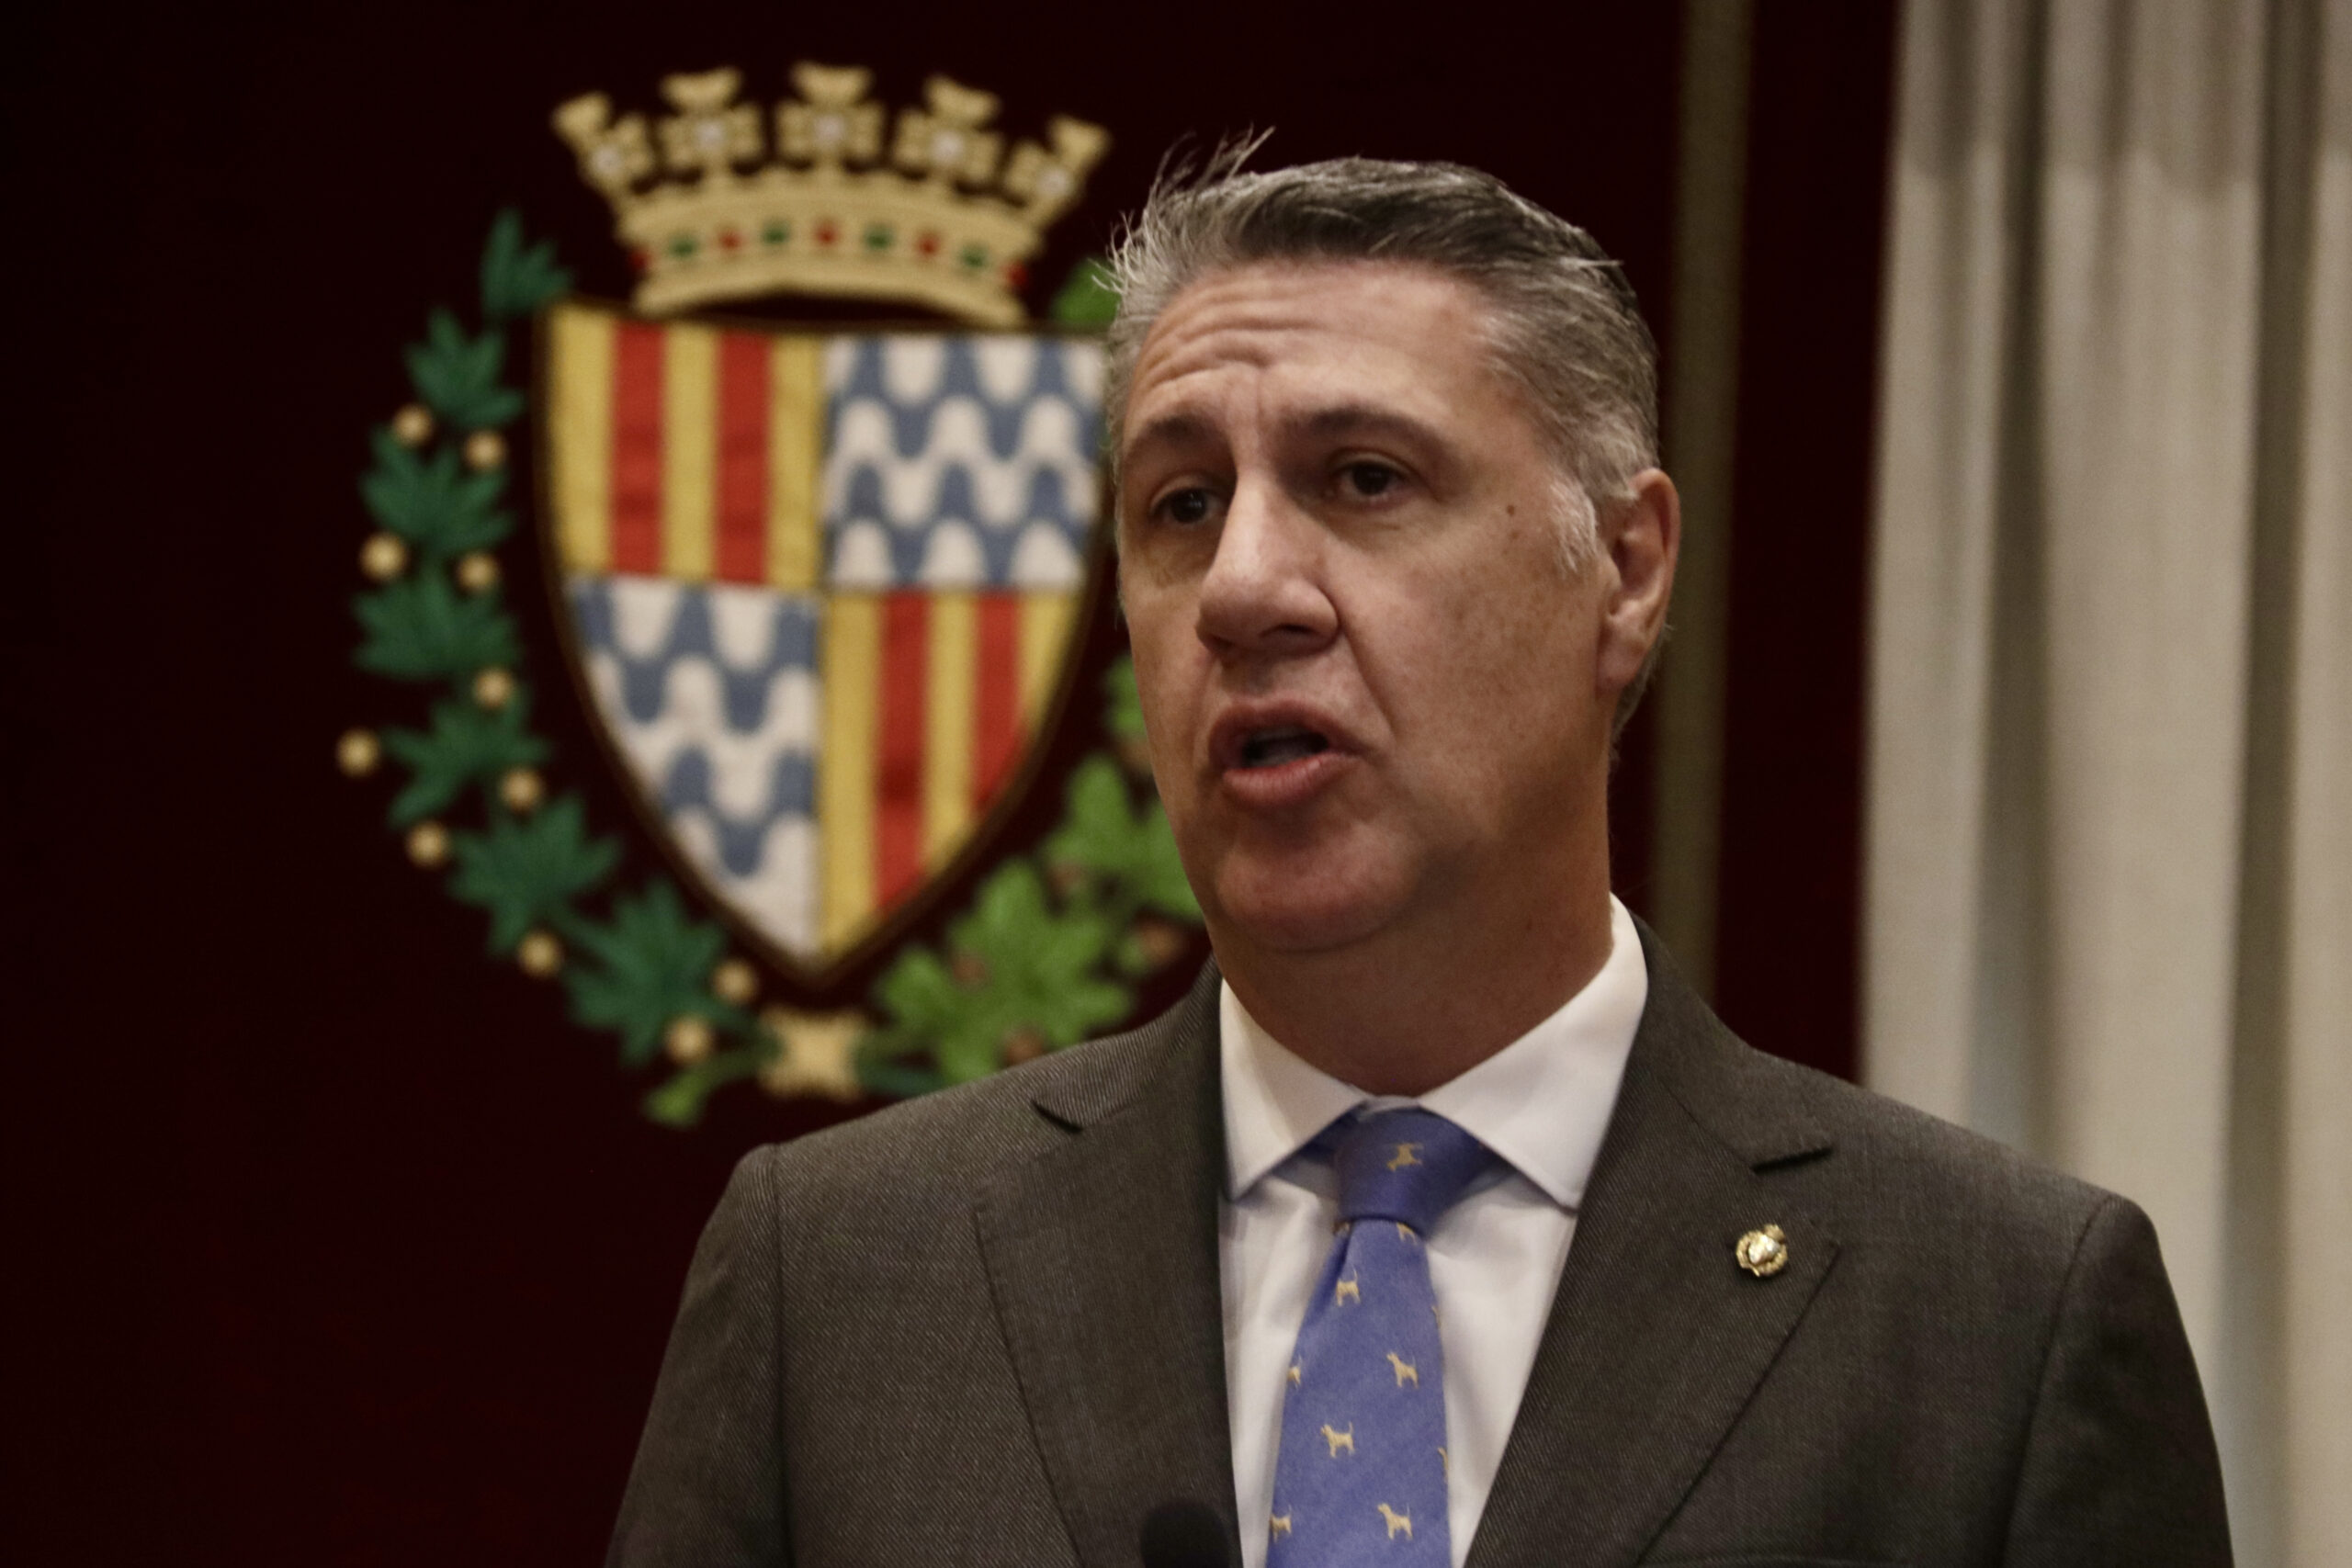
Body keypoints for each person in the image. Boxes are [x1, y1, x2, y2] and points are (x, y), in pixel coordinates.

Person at [606, 156, 2232, 1568]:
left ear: (1626, 571)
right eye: (1181, 504)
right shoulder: (841, 1280)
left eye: (1364, 478)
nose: (1243, 588)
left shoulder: (2000, 1318)